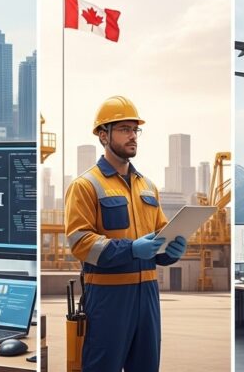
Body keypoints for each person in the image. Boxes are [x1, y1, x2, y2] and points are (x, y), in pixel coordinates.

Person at [65, 95, 188, 372]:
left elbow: (159, 234)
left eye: (135, 130)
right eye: (124, 129)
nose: (133, 136)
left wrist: (170, 251)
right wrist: (131, 249)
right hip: (108, 298)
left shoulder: (148, 186)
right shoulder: (85, 185)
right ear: (103, 135)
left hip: (148, 296)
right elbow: (80, 242)